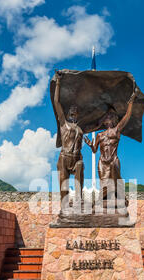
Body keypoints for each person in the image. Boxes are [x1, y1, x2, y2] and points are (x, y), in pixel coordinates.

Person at [85, 85, 139, 212]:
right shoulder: (99, 135)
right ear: (104, 120)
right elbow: (94, 150)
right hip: (102, 162)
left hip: (113, 160)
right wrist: (90, 145)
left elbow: (127, 116)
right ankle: (104, 204)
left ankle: (119, 200)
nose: (108, 117)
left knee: (115, 182)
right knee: (104, 184)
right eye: (107, 116)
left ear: (114, 118)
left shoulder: (117, 130)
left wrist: (131, 100)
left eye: (110, 116)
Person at [54, 72, 84, 211]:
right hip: (65, 157)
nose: (73, 110)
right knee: (64, 184)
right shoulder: (63, 123)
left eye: (75, 110)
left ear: (77, 114)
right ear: (67, 113)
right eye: (71, 109)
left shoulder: (80, 128)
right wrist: (59, 83)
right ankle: (64, 206)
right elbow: (56, 102)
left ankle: (79, 199)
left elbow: (96, 125)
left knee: (80, 167)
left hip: (77, 157)